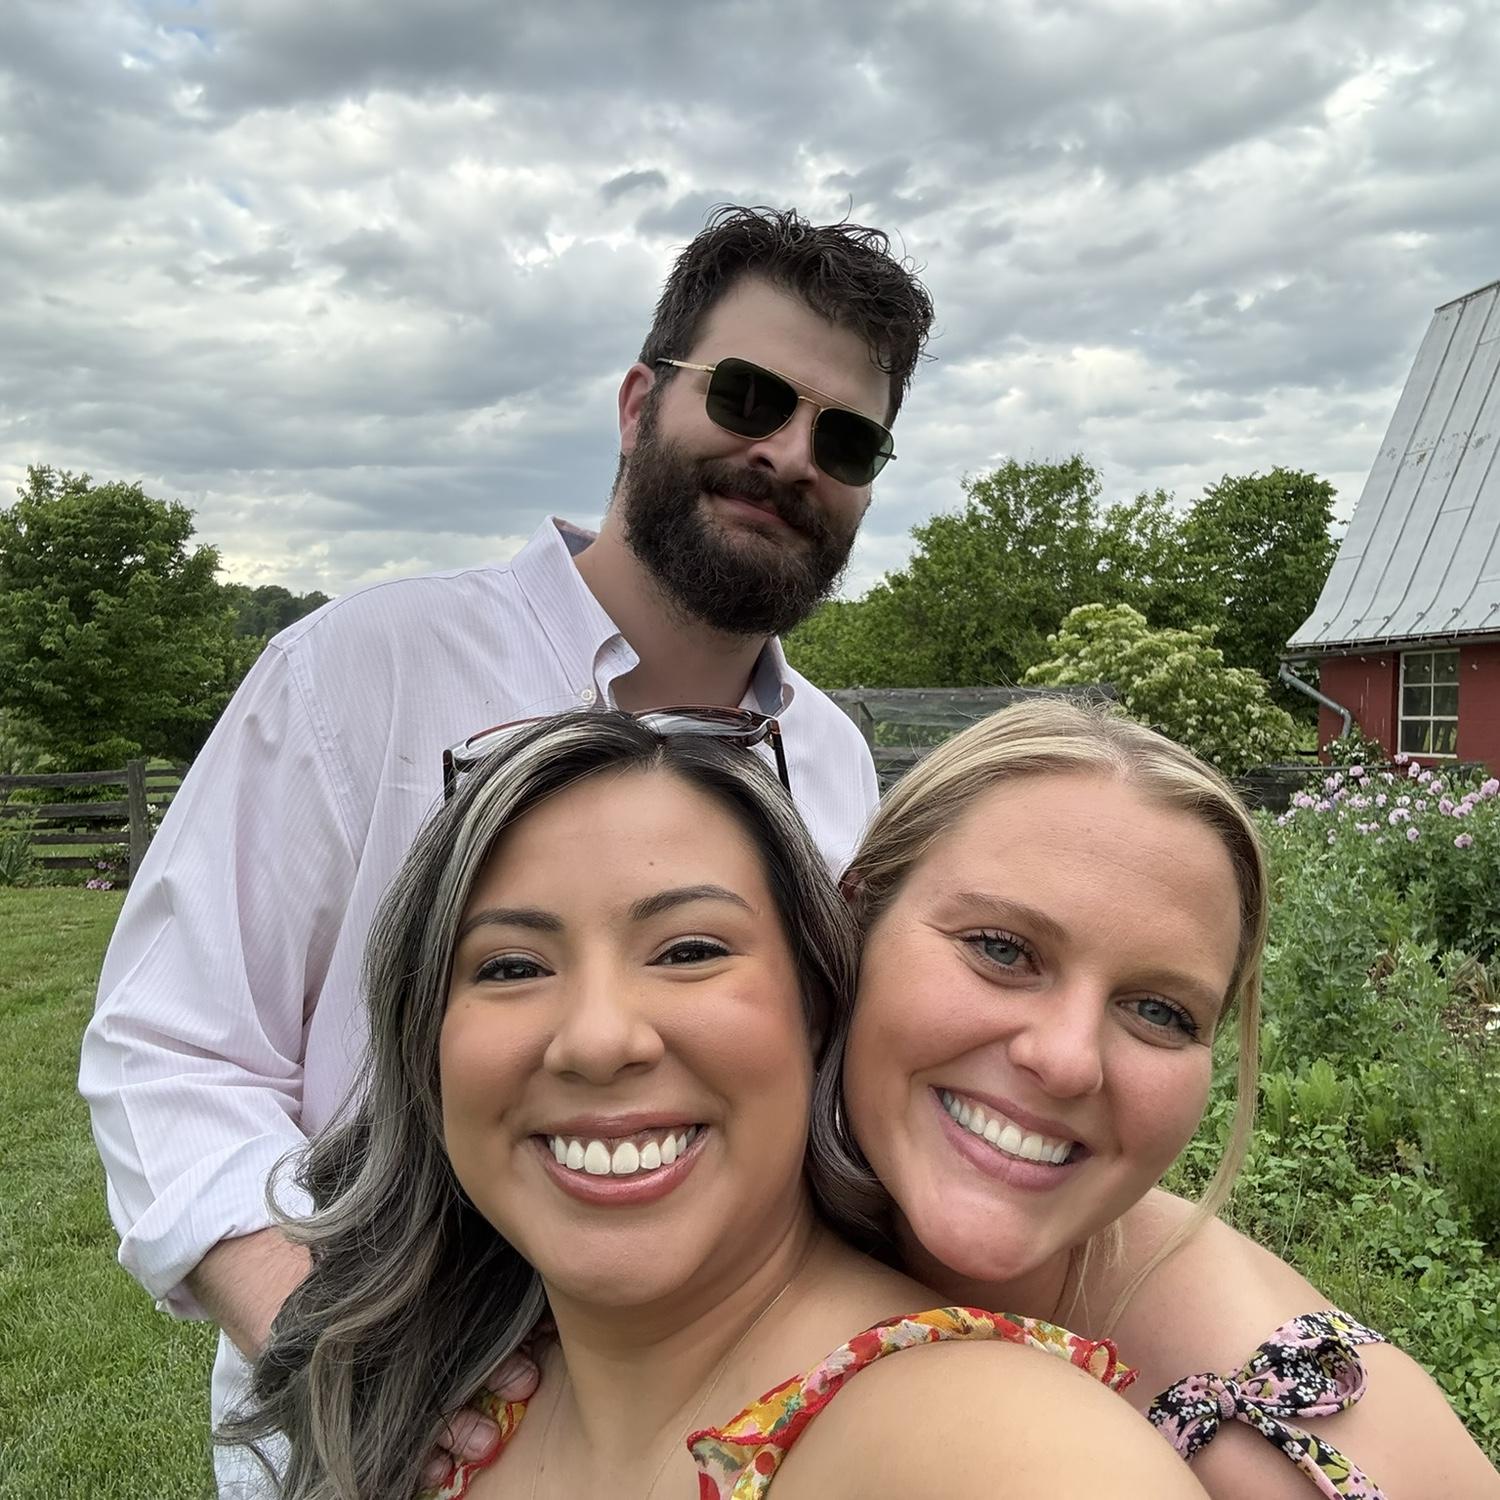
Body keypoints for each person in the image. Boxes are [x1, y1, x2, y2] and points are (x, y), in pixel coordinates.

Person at [79, 205, 933, 1494]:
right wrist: (338, 1344)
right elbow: (169, 1047)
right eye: (750, 396)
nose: (789, 454)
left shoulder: (830, 760)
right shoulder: (360, 671)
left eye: (845, 437)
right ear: (641, 401)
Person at [221, 710, 1210, 1500]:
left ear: (821, 1008)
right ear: (426, 1050)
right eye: (512, 966)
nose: (600, 1039)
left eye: (691, 950)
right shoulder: (442, 1406)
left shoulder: (999, 1453)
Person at [835, 698, 1500, 1498]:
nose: (1070, 1061)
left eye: (1159, 1012)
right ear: (852, 921)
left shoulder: (1275, 1429)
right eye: (1003, 950)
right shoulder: (702, 1231)